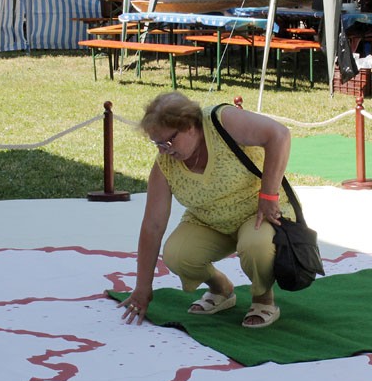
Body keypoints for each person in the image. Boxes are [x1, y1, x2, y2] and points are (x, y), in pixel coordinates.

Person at [118, 93, 297, 330]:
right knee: (176, 254)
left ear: (189, 126)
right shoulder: (165, 164)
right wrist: (143, 287)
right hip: (210, 221)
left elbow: (279, 135)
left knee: (256, 246)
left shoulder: (221, 121)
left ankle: (263, 299)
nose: (162, 151)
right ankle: (220, 288)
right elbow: (153, 225)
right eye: (156, 144)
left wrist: (268, 195)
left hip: (259, 211)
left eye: (167, 142)